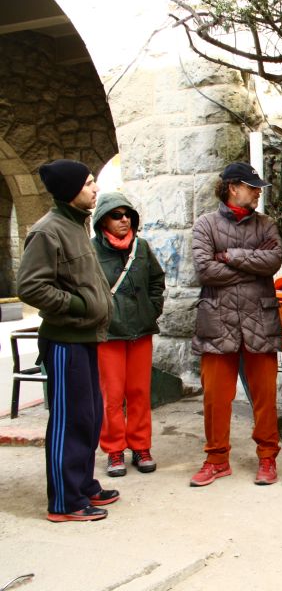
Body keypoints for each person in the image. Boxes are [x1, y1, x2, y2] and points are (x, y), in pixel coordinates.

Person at [17, 159, 118, 522]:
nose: (95, 189)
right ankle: (64, 501)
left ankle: (82, 484)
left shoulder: (76, 225)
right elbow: (30, 286)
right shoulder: (48, 231)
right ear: (70, 190)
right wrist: (76, 306)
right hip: (64, 341)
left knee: (89, 417)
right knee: (69, 419)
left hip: (85, 337)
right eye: (89, 183)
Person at [190, 162, 282, 487]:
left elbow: (272, 261)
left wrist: (228, 256)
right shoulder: (205, 225)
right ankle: (216, 459)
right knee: (215, 397)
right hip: (217, 322)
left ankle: (268, 458)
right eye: (252, 186)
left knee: (265, 396)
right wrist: (251, 263)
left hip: (259, 320)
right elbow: (204, 270)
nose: (258, 192)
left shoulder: (267, 224)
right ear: (232, 187)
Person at [92, 192, 166, 477]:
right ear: (103, 221)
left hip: (140, 331)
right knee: (112, 395)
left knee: (139, 393)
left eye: (127, 215)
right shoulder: (92, 251)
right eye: (116, 215)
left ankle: (140, 446)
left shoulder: (142, 247)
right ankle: (113, 450)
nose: (123, 220)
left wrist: (152, 309)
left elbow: (156, 280)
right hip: (109, 334)